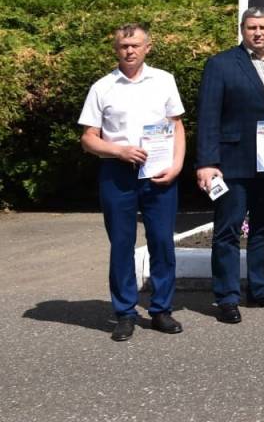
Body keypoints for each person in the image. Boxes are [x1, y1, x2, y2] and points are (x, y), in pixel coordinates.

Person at [79, 23, 186, 341]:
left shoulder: (164, 80)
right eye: (124, 46)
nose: (129, 51)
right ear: (116, 49)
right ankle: (125, 313)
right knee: (122, 244)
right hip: (118, 173)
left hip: (159, 171)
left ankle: (161, 310)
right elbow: (88, 138)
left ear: (147, 48)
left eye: (135, 45)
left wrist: (178, 165)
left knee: (162, 242)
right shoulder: (102, 87)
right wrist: (119, 150)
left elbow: (177, 125)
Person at [195, 8, 264, 324]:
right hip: (232, 162)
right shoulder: (221, 64)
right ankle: (227, 297)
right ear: (242, 29)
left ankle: (262, 289)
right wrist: (206, 162)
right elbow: (208, 115)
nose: (258, 33)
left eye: (263, 27)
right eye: (252, 27)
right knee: (228, 229)